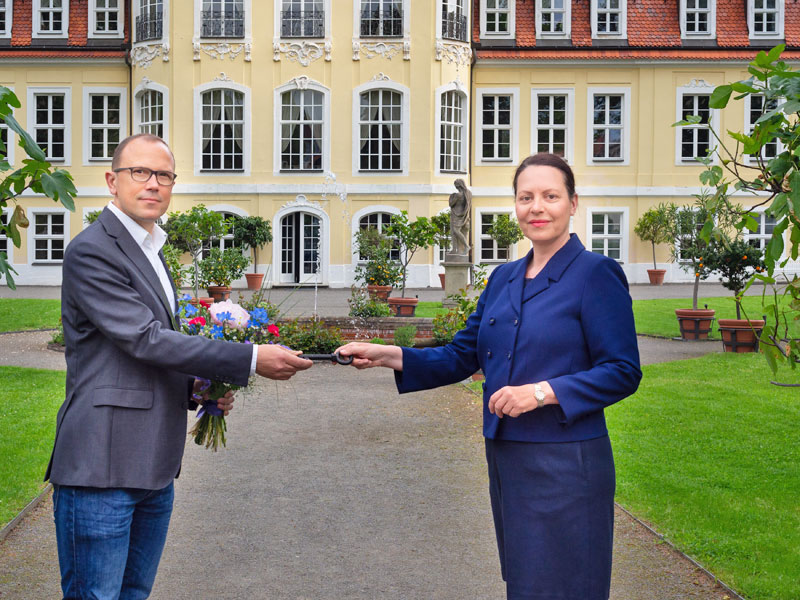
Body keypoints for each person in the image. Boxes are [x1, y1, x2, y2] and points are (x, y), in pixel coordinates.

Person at [337, 153, 642, 599]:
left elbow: (622, 371)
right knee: (525, 583)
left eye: (550, 196)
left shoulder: (596, 275)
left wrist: (541, 392)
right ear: (515, 206)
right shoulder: (503, 278)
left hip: (567, 464)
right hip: (508, 458)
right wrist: (389, 355)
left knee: (569, 585)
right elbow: (463, 354)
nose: (536, 207)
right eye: (526, 197)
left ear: (573, 204)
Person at [45, 133, 312, 600]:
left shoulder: (151, 249)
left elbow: (140, 353)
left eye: (164, 175)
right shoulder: (93, 251)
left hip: (153, 465)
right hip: (101, 466)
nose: (153, 184)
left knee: (133, 594)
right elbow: (145, 339)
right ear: (112, 181)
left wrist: (199, 389)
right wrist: (250, 358)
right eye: (139, 173)